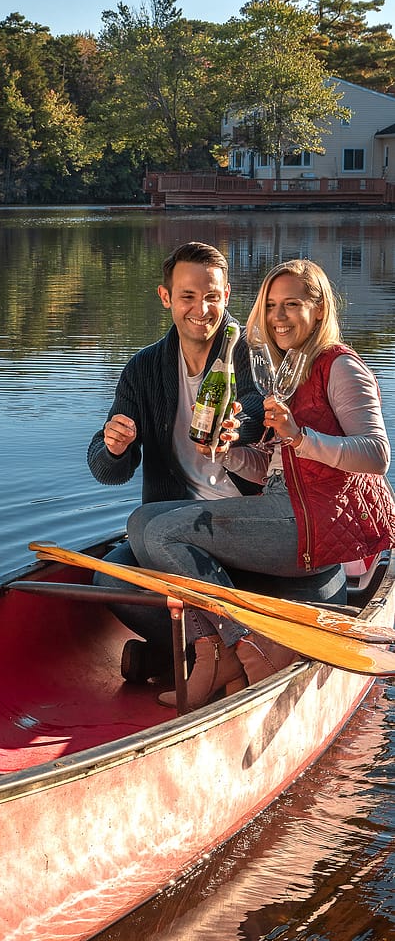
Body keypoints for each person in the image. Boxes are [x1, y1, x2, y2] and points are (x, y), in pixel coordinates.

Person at [127, 258, 395, 711]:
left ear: (319, 308)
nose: (278, 317)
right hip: (281, 506)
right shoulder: (285, 372)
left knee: (163, 532)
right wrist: (228, 451)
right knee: (141, 522)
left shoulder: (340, 367)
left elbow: (376, 454)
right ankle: (220, 652)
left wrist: (299, 436)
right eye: (271, 305)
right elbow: (272, 467)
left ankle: (239, 646)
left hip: (312, 520)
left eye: (292, 304)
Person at [87, 241, 264, 684]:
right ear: (166, 297)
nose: (201, 309)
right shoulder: (143, 369)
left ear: (226, 295)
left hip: (247, 519)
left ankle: (200, 657)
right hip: (175, 524)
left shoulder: (251, 353)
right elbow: (107, 470)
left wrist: (235, 431)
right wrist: (115, 446)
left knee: (143, 525)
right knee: (108, 581)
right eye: (187, 296)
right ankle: (213, 656)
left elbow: (256, 407)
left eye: (212, 296)